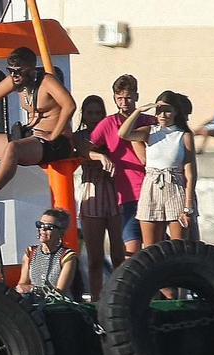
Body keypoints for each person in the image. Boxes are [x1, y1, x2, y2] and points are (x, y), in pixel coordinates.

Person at [0, 47, 78, 206]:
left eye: (18, 71)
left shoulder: (47, 81)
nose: (13, 75)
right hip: (31, 137)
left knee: (13, 148)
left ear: (31, 69)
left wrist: (54, 135)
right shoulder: (15, 81)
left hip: (55, 143)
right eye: (10, 70)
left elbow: (70, 105)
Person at [87, 75, 154, 275]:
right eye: (120, 98)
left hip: (152, 193)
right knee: (130, 254)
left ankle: (164, 297)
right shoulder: (108, 123)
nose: (124, 103)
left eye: (128, 98)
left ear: (137, 97)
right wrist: (99, 156)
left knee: (155, 253)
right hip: (127, 196)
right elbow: (86, 148)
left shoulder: (149, 121)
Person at [121, 90, 197, 245]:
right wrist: (138, 111)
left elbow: (190, 173)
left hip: (175, 186)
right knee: (150, 247)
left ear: (176, 112)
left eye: (167, 111)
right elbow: (123, 134)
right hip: (152, 186)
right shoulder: (150, 131)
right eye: (159, 111)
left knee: (179, 246)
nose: (162, 115)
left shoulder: (184, 135)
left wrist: (188, 205)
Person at [75, 95, 123, 299]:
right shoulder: (79, 135)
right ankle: (95, 299)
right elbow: (83, 149)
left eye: (98, 113)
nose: (94, 117)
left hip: (115, 192)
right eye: (90, 113)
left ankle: (120, 296)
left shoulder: (111, 132)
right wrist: (100, 156)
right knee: (95, 257)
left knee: (119, 255)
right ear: (84, 115)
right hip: (92, 193)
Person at [18, 208, 77, 295]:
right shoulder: (30, 252)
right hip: (33, 302)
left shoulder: (67, 256)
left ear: (60, 231)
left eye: (49, 227)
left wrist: (33, 289)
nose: (43, 229)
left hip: (58, 305)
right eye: (40, 225)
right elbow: (22, 284)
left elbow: (60, 292)